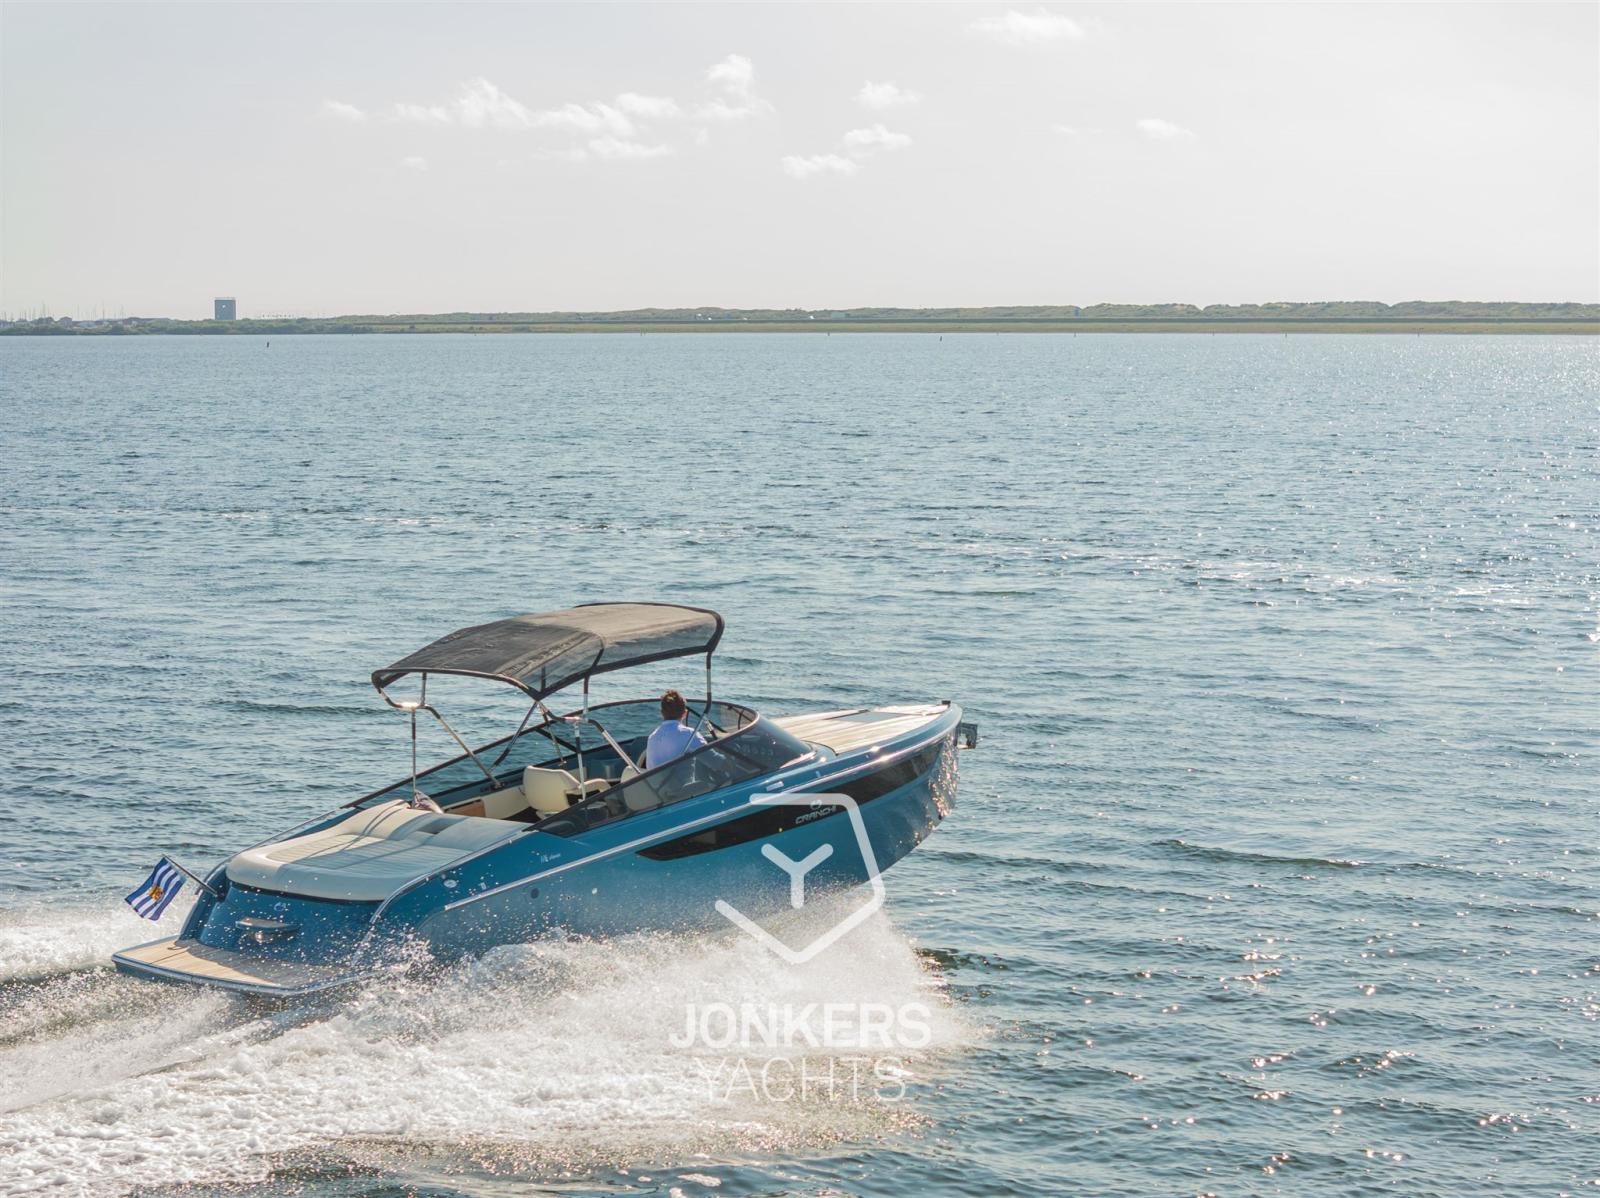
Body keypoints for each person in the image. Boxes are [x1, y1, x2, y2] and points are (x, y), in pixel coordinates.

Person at [645, 689, 706, 769]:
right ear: (685, 713)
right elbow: (715, 761)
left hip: (656, 778)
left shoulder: (652, 737)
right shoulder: (690, 734)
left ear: (662, 713)